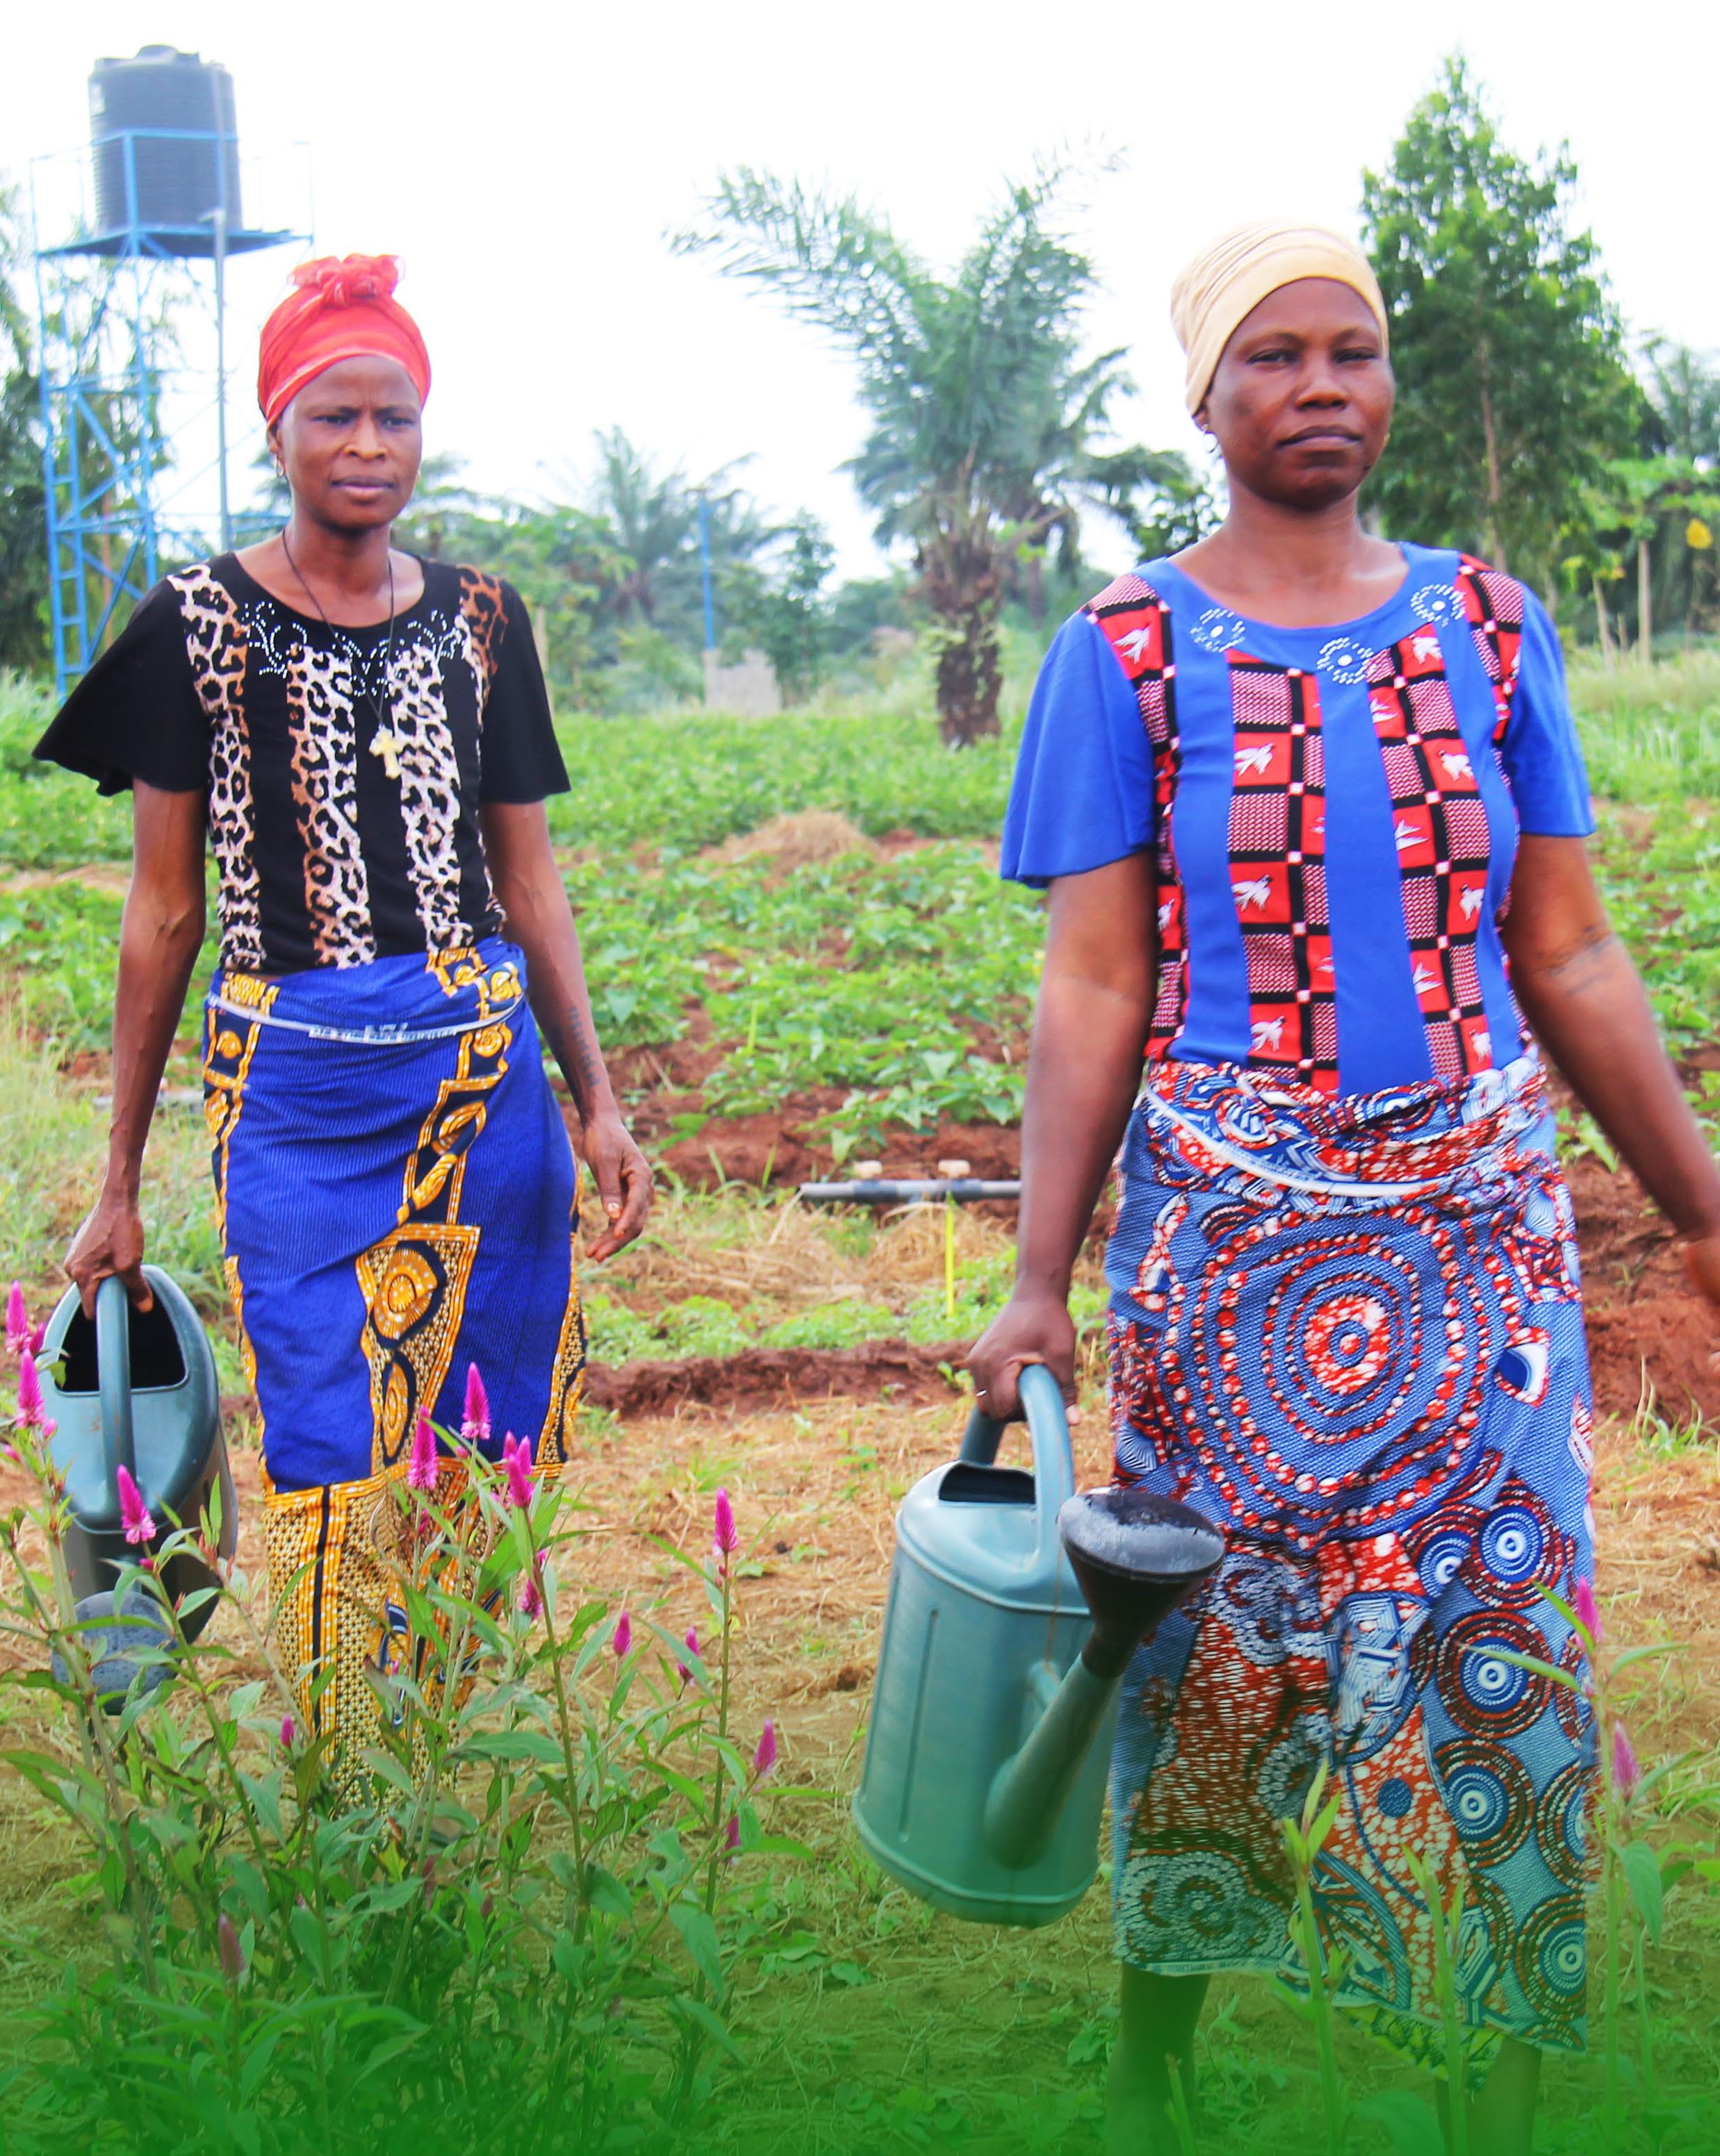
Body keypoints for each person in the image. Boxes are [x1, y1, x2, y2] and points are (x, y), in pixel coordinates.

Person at [969, 222, 1720, 2155]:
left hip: (1478, 1225)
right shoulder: (1121, 650)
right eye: (1273, 359)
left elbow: (1561, 953)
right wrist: (1034, 1280)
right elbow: (1091, 980)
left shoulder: (1484, 623)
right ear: (1202, 402)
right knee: (1212, 1648)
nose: (1319, 388)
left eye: (1352, 353)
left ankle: (1514, 2074)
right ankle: (1155, 2061)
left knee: (1508, 1632)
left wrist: (1703, 1209)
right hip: (1226, 1233)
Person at [35, 252, 652, 1787]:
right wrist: (117, 1176)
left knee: (486, 1422)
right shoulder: (196, 622)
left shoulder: (483, 622)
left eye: (394, 415)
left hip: (484, 1089)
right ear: (281, 429)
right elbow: (165, 909)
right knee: (324, 1434)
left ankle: (434, 1744)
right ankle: (343, 1792)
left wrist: (598, 1097)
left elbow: (530, 877)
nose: (368, 445)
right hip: (296, 1095)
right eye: (336, 415)